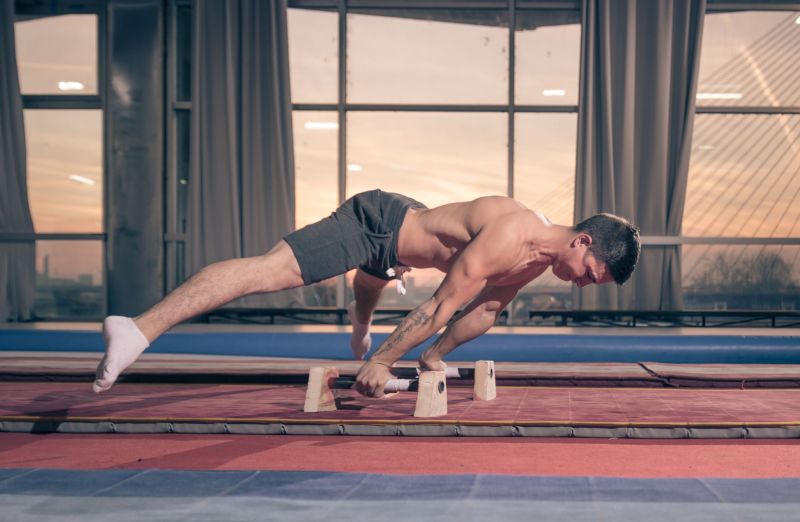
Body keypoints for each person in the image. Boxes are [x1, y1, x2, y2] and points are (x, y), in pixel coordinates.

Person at [93, 189, 640, 398]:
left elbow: (487, 311)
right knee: (267, 272)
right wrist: (381, 360)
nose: (588, 284)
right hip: (374, 224)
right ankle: (137, 328)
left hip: (399, 247)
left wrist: (432, 358)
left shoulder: (539, 261)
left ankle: (360, 325)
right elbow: (439, 306)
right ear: (582, 240)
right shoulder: (512, 236)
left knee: (374, 283)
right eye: (592, 271)